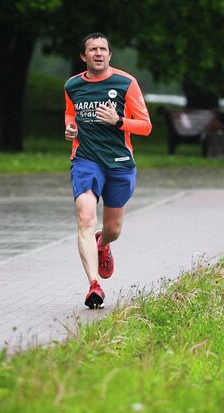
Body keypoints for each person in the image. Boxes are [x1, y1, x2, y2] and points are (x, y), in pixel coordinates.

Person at [63, 32, 152, 309]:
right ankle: (94, 286)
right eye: (93, 49)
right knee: (85, 219)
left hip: (119, 163)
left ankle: (103, 244)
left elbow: (146, 126)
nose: (98, 53)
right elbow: (70, 114)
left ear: (110, 55)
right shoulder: (72, 85)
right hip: (86, 161)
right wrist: (69, 129)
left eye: (103, 49)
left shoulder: (126, 83)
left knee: (112, 229)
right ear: (84, 56)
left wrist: (119, 121)